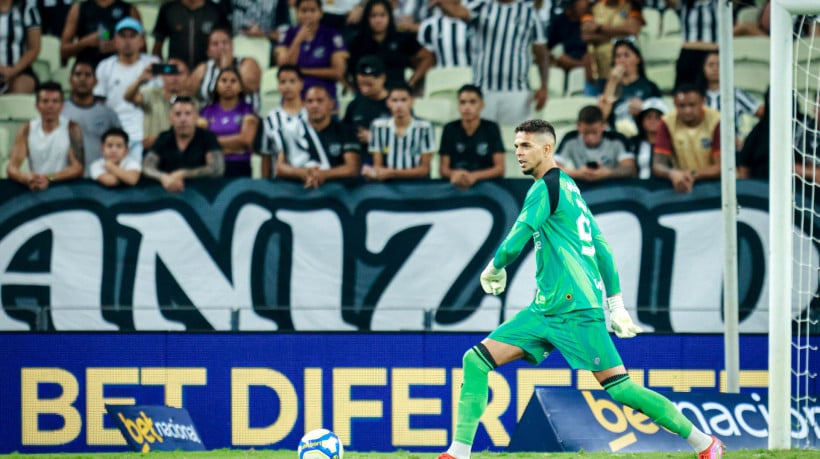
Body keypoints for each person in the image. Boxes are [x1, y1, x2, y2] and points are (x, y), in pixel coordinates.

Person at [438, 118, 726, 459]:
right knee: (475, 360)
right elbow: (602, 247)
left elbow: (514, 242)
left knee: (622, 390)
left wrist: (494, 266)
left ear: (547, 149)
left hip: (575, 310)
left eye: (525, 145)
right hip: (545, 309)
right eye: (515, 145)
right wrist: (616, 304)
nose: (518, 152)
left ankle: (705, 443)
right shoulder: (570, 188)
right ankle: (458, 454)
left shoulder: (546, 187)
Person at [436, 0, 550, 126]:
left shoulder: (529, 13)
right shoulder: (481, 7)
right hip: (484, 89)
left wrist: (544, 85)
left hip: (517, 91)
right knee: (483, 139)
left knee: (517, 139)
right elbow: (458, 12)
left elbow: (541, 52)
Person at [94, 17, 158, 162]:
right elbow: (99, 103)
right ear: (115, 40)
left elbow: (161, 101)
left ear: (141, 40)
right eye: (122, 36)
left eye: (132, 36)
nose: (127, 41)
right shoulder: (105, 66)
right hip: (114, 134)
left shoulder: (153, 64)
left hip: (145, 133)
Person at [276, 85, 360, 187]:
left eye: (320, 101)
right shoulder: (292, 131)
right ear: (304, 105)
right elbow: (280, 167)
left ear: (331, 104)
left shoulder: (345, 130)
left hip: (334, 188)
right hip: (298, 187)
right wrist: (304, 173)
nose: (314, 105)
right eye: (310, 101)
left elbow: (352, 168)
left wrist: (323, 174)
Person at [7, 81, 84, 190]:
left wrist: (49, 178)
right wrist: (26, 177)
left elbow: (78, 168)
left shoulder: (72, 128)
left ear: (62, 106)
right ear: (37, 105)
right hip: (35, 187)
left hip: (63, 187)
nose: (50, 106)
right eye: (45, 101)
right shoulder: (27, 129)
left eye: (55, 101)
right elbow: (12, 167)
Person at [142, 96, 225, 192]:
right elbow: (147, 166)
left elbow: (217, 169)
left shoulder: (207, 137)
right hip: (168, 194)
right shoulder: (164, 138)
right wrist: (164, 177)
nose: (183, 119)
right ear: (170, 118)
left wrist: (182, 174)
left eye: (188, 114)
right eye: (178, 114)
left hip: (202, 193)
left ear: (196, 117)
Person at [346, 0, 433, 92]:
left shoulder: (401, 38)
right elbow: (348, 70)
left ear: (389, 16)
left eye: (382, 15)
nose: (378, 20)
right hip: (368, 96)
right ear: (367, 18)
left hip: (396, 95)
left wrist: (411, 82)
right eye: (373, 16)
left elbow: (428, 57)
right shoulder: (357, 42)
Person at [652, 84, 721, 193]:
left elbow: (721, 167)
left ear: (702, 101)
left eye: (692, 105)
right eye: (681, 106)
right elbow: (658, 164)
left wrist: (691, 174)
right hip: (685, 185)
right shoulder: (667, 122)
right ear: (674, 104)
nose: (687, 110)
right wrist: (672, 173)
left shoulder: (717, 121)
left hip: (718, 185)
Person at [275, 0, 347, 101]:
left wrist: (302, 71)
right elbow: (284, 69)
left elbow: (338, 72)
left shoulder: (332, 35)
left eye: (313, 10)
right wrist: (297, 40)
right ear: (296, 12)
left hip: (324, 97)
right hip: (294, 99)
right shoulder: (288, 34)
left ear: (321, 13)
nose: (308, 15)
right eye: (304, 11)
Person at [61, 59, 122, 176]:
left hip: (101, 178)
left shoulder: (108, 113)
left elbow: (120, 146)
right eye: (78, 74)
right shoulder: (60, 111)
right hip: (67, 177)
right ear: (70, 81)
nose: (82, 79)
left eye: (87, 75)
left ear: (96, 82)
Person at [364, 83, 435, 181]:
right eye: (394, 100)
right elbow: (378, 165)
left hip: (417, 184)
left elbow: (425, 169)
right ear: (388, 102)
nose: (399, 105)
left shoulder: (425, 127)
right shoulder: (378, 126)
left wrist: (393, 173)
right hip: (388, 185)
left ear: (412, 101)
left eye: (403, 100)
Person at [439, 84, 505, 190]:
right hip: (456, 184)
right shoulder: (449, 129)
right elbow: (443, 169)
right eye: (463, 102)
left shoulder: (491, 128)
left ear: (481, 105)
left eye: (472, 102)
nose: (467, 107)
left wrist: (474, 176)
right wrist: (455, 174)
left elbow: (500, 168)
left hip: (486, 185)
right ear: (458, 105)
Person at [199, 66, 259, 177]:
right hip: (212, 166)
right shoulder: (207, 111)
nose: (228, 85)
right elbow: (200, 142)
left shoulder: (247, 110)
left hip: (240, 165)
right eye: (224, 80)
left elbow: (246, 139)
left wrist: (213, 141)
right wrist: (235, 145)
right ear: (216, 86)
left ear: (240, 87)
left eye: (233, 81)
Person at [555, 105, 636, 182]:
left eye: (595, 132)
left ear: (603, 125)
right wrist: (578, 173)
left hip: (611, 185)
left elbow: (630, 169)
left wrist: (608, 173)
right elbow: (552, 168)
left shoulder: (618, 140)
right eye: (585, 133)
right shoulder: (570, 139)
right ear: (578, 126)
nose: (590, 137)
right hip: (582, 186)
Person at [123, 57, 190, 151]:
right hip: (153, 151)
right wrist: (141, 80)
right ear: (162, 76)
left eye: (179, 73)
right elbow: (128, 97)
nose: (174, 78)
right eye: (170, 72)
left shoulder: (192, 102)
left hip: (181, 153)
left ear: (188, 77)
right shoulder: (151, 94)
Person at [597, 40, 662, 136]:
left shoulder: (649, 86)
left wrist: (644, 109)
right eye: (618, 56)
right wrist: (612, 81)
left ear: (637, 59)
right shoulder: (607, 86)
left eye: (626, 55)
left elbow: (660, 115)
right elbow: (601, 116)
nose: (622, 60)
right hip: (615, 137)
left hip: (642, 136)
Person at [189, 28, 262, 112]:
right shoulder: (203, 69)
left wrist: (226, 68)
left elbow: (251, 87)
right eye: (215, 44)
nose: (221, 47)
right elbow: (189, 94)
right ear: (208, 51)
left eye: (225, 42)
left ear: (232, 46)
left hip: (244, 116)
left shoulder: (247, 63)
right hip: (209, 119)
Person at [698, 50, 762, 146]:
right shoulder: (696, 95)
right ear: (703, 68)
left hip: (731, 146)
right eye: (710, 65)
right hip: (702, 147)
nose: (715, 69)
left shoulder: (736, 93)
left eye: (719, 65)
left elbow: (763, 114)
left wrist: (748, 141)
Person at [579, 0, 643, 96]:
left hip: (626, 73)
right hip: (598, 69)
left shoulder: (631, 6)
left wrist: (599, 28)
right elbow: (586, 35)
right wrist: (620, 34)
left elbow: (633, 29)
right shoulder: (592, 8)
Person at [59, 0, 141, 68]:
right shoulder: (79, 9)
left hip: (119, 69)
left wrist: (120, 46)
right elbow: (64, 51)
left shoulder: (130, 10)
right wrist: (85, 42)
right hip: (87, 71)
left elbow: (143, 49)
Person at [152, 0, 230, 71]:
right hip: (175, 74)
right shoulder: (169, 9)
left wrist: (218, 72)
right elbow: (157, 48)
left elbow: (227, 48)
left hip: (206, 73)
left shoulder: (216, 11)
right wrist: (165, 71)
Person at [260, 64, 308, 178]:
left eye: (292, 81)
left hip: (310, 176)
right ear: (278, 86)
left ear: (301, 84)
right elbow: (266, 154)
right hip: (281, 181)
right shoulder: (271, 118)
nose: (287, 86)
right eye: (283, 82)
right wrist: (265, 182)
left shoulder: (311, 114)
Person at [342, 56, 391, 161]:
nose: (364, 86)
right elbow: (345, 133)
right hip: (361, 161)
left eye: (369, 83)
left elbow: (406, 140)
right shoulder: (355, 104)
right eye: (361, 83)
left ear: (382, 78)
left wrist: (374, 139)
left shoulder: (395, 103)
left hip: (390, 161)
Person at [666, 0, 718, 90]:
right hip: (689, 54)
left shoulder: (718, 4)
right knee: (684, 90)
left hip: (712, 52)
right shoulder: (684, 5)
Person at [0, 0, 41, 94]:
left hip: (21, 70)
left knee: (17, 91)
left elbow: (34, 48)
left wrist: (13, 70)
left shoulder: (28, 10)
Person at [629, 97, 668, 180]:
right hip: (638, 188)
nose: (652, 121)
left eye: (657, 117)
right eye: (648, 117)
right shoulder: (633, 143)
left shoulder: (670, 143)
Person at [546, 0, 589, 75]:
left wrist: (576, 64)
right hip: (559, 67)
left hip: (584, 68)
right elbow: (547, 47)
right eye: (581, 3)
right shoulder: (558, 22)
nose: (584, 6)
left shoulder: (588, 23)